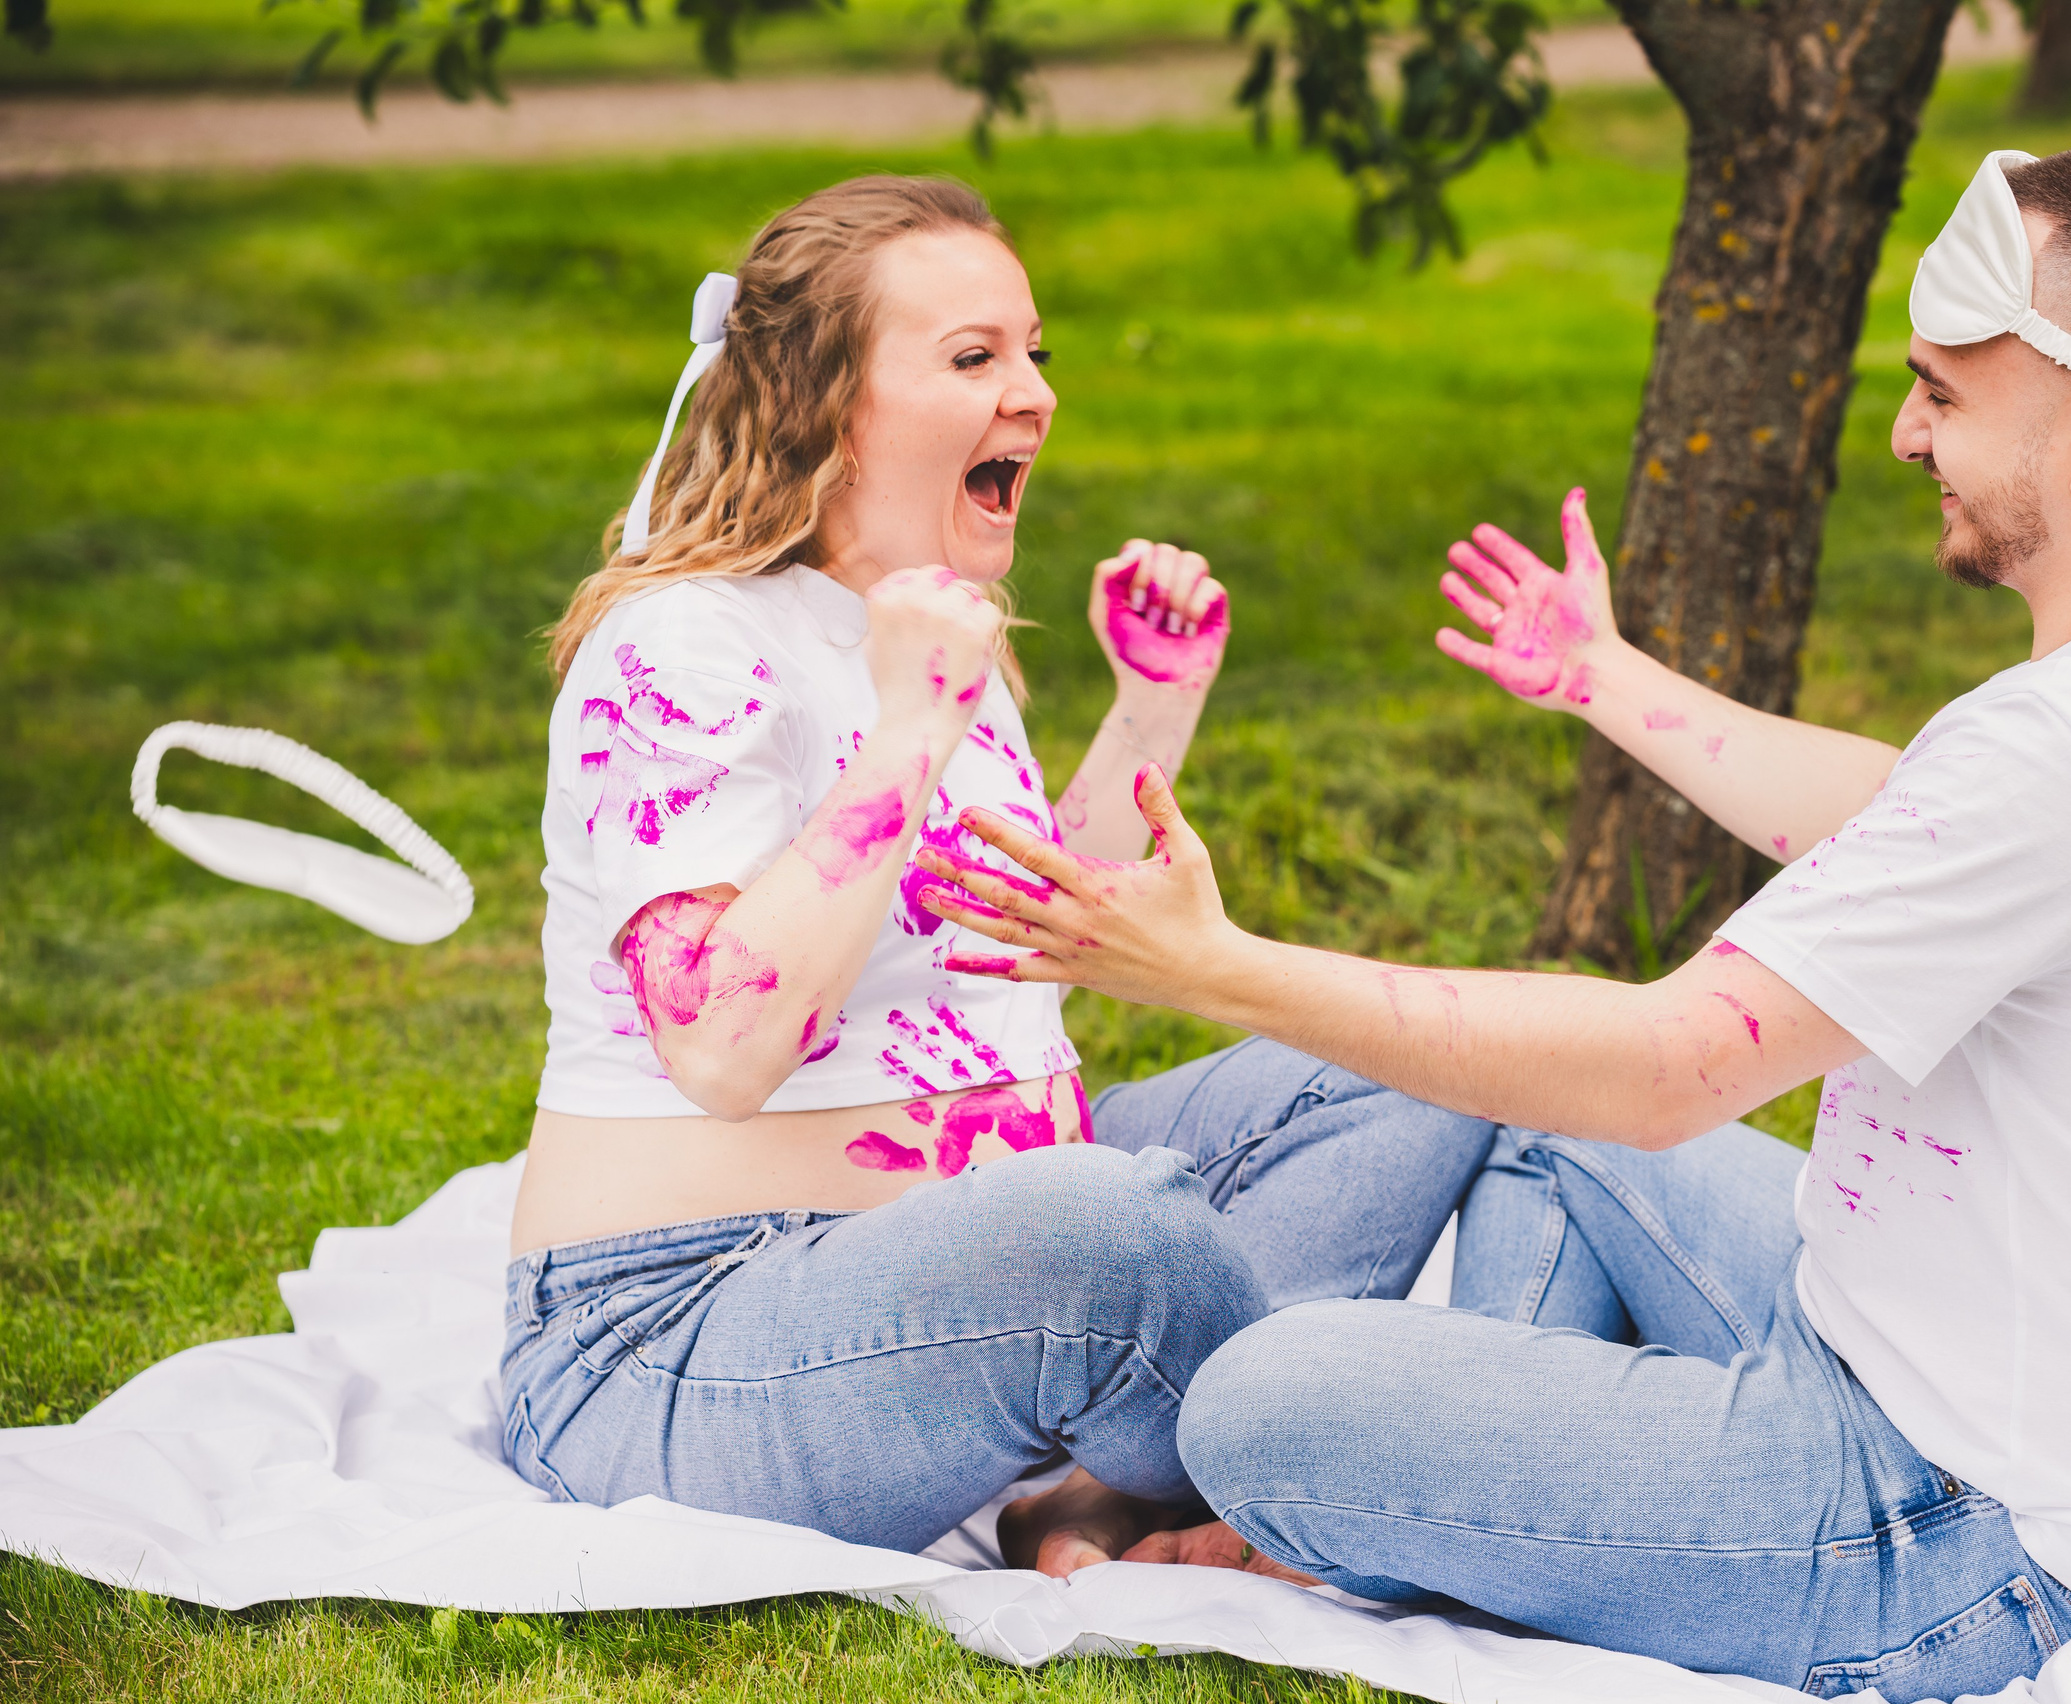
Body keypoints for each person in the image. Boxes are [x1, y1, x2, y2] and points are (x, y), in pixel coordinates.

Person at [921, 140, 2071, 1702]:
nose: (1902, 430)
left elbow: (1673, 1066)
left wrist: (1218, 969)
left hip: (1970, 1535)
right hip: (1988, 1390)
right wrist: (1599, 673)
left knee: (1258, 1407)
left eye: (1942, 391)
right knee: (1550, 1146)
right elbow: (1910, 811)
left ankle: (1440, 1501)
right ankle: (1523, 1485)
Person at [501, 175, 1490, 1577]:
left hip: (965, 1273)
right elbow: (722, 1045)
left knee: (1420, 1050)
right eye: (974, 358)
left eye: (1035, 351)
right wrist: (911, 723)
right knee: (1103, 1231)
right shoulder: (683, 646)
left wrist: (1152, 705)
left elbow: (1008, 944)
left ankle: (1113, 1480)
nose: (1032, 392)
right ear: (820, 401)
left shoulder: (933, 629)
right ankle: (1363, 1478)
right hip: (683, 1335)